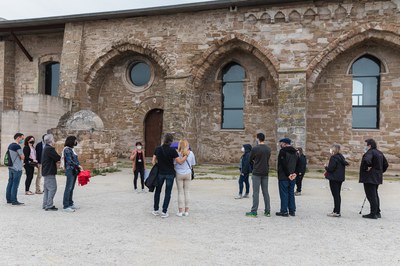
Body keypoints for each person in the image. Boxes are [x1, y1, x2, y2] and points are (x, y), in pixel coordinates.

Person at [151, 133, 187, 218]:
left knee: (158, 191)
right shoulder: (172, 151)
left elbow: (153, 161)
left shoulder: (157, 149)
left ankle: (156, 209)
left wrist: (157, 166)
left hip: (160, 173)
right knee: (168, 192)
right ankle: (164, 211)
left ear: (163, 140)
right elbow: (180, 162)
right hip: (170, 173)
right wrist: (185, 156)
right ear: (171, 141)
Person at [359, 139, 389, 219]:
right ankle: (377, 212)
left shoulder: (369, 152)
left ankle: (373, 213)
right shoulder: (379, 153)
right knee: (375, 194)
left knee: (371, 195)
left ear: (369, 145)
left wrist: (368, 167)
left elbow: (367, 160)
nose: (365, 147)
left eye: (366, 145)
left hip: (369, 177)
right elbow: (386, 164)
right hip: (377, 177)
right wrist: (380, 172)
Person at [245, 133, 271, 218]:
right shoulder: (268, 149)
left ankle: (254, 211)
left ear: (258, 139)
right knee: (265, 192)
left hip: (256, 172)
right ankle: (267, 211)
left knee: (256, 193)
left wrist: (255, 162)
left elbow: (250, 159)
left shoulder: (255, 148)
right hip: (265, 172)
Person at [324, 144, 349, 217]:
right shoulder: (341, 157)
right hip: (339, 178)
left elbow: (331, 169)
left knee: (335, 195)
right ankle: (336, 210)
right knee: (337, 195)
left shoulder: (333, 157)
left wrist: (326, 167)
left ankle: (336, 211)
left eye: (331, 149)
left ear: (333, 150)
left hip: (334, 178)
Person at [276, 138, 298, 217]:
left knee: (284, 193)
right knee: (291, 193)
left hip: (284, 176)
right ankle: (292, 210)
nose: (280, 145)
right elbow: (299, 163)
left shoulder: (283, 151)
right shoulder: (295, 152)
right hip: (293, 176)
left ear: (285, 144)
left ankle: (284, 211)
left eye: (281, 143)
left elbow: (283, 164)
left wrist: (288, 174)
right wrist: (295, 173)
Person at [174, 139, 196, 217]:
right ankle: (186, 211)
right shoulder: (191, 153)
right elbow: (193, 163)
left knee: (180, 192)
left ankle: (180, 211)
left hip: (179, 173)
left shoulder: (177, 153)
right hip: (188, 173)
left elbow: (175, 163)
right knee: (187, 191)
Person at [62, 136, 83, 212]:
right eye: (75, 141)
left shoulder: (71, 149)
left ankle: (70, 203)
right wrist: (78, 165)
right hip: (70, 170)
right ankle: (66, 205)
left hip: (74, 170)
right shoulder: (67, 150)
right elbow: (69, 161)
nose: (76, 142)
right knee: (69, 188)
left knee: (72, 188)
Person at [41, 134, 61, 211]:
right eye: (53, 139)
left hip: (46, 170)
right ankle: (49, 205)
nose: (54, 141)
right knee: (52, 188)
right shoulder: (50, 149)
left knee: (47, 189)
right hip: (49, 171)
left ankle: (45, 204)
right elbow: (57, 157)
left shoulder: (45, 147)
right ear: (51, 140)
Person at [6, 133, 25, 205]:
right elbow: (22, 157)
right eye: (22, 138)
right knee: (15, 184)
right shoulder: (17, 146)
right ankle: (14, 200)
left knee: (10, 183)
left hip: (11, 167)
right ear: (18, 138)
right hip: (17, 168)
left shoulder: (10, 145)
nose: (22, 140)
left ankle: (9, 199)